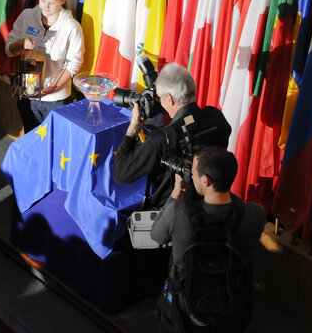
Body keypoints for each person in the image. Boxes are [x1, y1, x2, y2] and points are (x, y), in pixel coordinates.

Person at [151, 147, 266, 332]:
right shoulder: (255, 214)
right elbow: (236, 206)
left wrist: (177, 193)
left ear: (206, 180)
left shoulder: (178, 213)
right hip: (233, 308)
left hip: (183, 312)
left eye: (194, 173)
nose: (191, 175)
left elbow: (156, 235)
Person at [113, 63, 232, 209]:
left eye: (159, 98)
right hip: (210, 204)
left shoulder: (161, 139)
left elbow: (121, 174)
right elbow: (190, 120)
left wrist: (132, 130)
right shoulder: (216, 116)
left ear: (169, 98)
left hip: (171, 213)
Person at [5, 0, 84, 132]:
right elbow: (9, 50)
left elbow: (74, 63)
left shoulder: (72, 27)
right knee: (30, 136)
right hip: (27, 89)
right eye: (43, 0)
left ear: (63, 1)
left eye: (52, 2)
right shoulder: (27, 15)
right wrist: (21, 44)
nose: (46, 6)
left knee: (53, 142)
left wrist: (52, 88)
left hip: (55, 99)